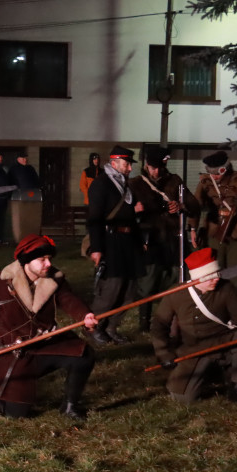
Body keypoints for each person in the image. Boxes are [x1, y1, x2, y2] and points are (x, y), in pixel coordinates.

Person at [0, 234, 99, 419]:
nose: (48, 264)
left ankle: (69, 406)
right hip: (14, 350)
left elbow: (68, 299)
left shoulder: (54, 279)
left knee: (83, 354)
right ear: (26, 261)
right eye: (42, 259)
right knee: (16, 414)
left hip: (45, 342)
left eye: (49, 259)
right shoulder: (0, 283)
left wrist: (85, 315)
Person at [150, 248, 237, 405]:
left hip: (223, 341)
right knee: (183, 399)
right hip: (195, 349)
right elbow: (159, 324)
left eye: (217, 274)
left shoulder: (225, 288)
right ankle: (211, 374)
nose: (215, 279)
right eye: (209, 277)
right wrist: (163, 354)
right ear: (197, 277)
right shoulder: (176, 294)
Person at [130, 146, 201, 331]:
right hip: (150, 240)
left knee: (174, 280)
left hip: (172, 239)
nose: (156, 171)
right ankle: (144, 323)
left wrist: (181, 206)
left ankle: (169, 319)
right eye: (153, 167)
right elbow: (126, 210)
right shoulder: (135, 184)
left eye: (159, 167)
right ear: (146, 165)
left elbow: (194, 204)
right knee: (148, 282)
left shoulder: (174, 180)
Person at [86, 145, 145, 345]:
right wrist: (96, 248)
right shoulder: (100, 184)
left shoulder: (126, 186)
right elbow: (94, 219)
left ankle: (112, 327)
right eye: (127, 164)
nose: (130, 168)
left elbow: (131, 217)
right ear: (114, 163)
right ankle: (95, 327)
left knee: (129, 290)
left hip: (129, 242)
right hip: (111, 242)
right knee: (111, 288)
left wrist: (139, 241)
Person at [193, 151, 237, 279]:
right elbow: (195, 206)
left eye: (218, 172)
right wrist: (192, 228)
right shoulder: (205, 182)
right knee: (214, 269)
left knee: (235, 271)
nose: (214, 177)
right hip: (214, 230)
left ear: (225, 167)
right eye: (211, 172)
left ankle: (232, 295)